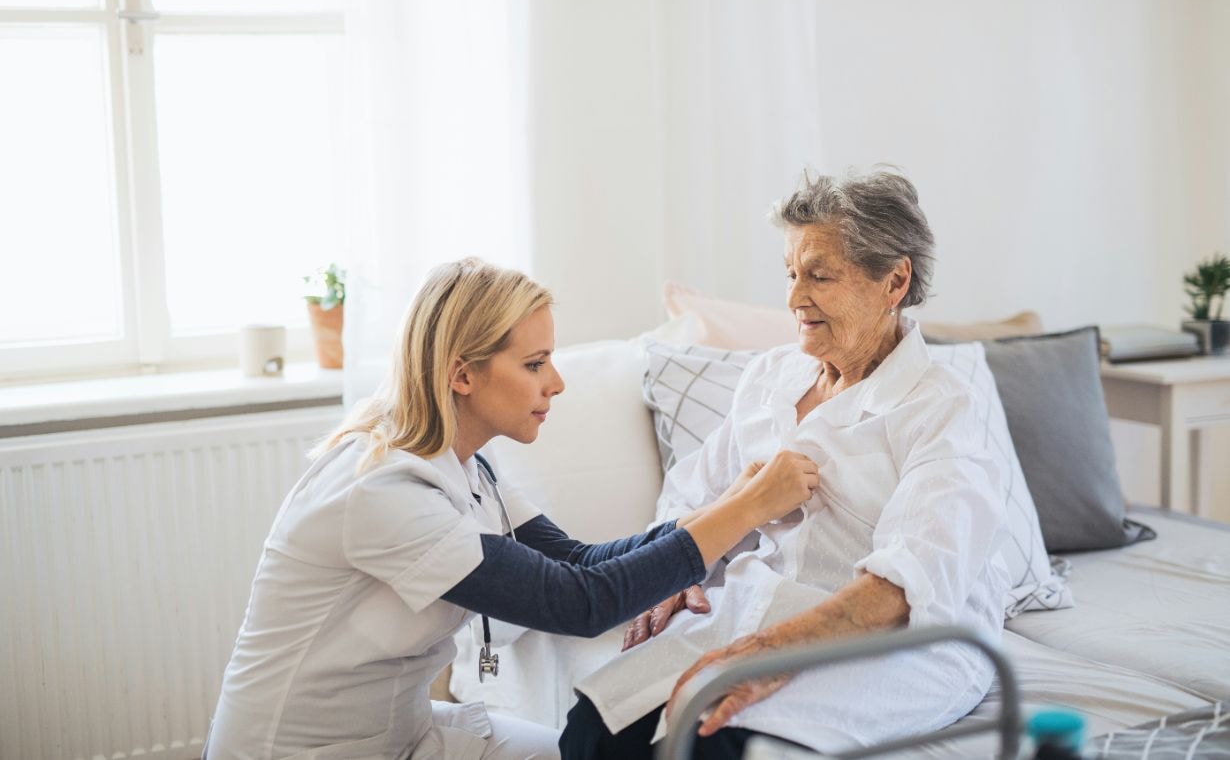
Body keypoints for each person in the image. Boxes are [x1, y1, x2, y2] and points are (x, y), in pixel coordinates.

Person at [204, 257, 819, 760]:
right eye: (533, 364)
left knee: (575, 752)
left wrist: (723, 508)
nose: (556, 382)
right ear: (462, 375)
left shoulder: (467, 464)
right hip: (300, 751)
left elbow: (578, 560)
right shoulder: (382, 494)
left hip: (403, 734)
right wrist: (743, 513)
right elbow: (578, 602)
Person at [559, 168, 1013, 759]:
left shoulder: (943, 407)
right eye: (793, 273)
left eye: (820, 276)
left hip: (886, 642)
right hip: (752, 606)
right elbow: (692, 495)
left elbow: (903, 588)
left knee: (714, 744)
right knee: (593, 730)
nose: (796, 298)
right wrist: (675, 573)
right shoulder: (771, 376)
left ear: (894, 280)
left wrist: (766, 654)